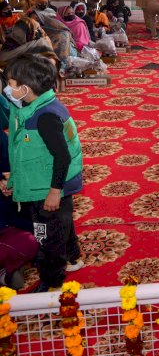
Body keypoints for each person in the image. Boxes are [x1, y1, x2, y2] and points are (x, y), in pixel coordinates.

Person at [1, 54, 84, 292]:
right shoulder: (33, 107)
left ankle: (52, 283)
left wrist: (54, 192)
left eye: (11, 84)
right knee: (61, 224)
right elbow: (27, 152)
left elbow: (62, 156)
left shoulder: (45, 117)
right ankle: (73, 258)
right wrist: (15, 179)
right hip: (42, 181)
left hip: (47, 188)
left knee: (46, 238)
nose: (7, 89)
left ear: (26, 88)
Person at [0, 121, 38, 290]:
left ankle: (6, 271)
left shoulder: (3, 139)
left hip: (8, 221)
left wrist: (10, 180)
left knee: (35, 239)